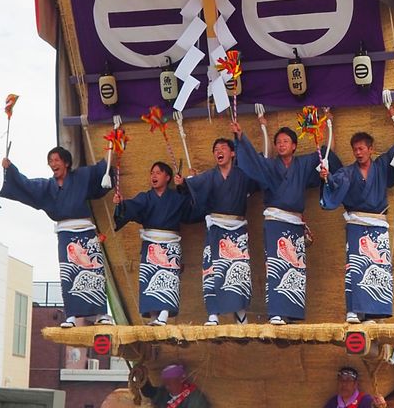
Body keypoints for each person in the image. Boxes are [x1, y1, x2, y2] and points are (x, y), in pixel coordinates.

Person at [231, 116, 340, 325]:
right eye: (278, 142)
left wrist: (329, 125)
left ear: (294, 146)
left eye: (285, 141)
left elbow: (327, 153)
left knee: (295, 268)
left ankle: (291, 314)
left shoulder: (304, 163)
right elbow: (252, 160)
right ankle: (276, 313)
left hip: (295, 225)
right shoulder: (269, 166)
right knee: (276, 266)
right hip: (275, 223)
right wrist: (241, 136)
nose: (281, 145)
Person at [0, 146, 114, 328]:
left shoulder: (81, 176)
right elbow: (26, 184)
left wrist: (112, 149)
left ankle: (101, 314)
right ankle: (72, 316)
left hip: (85, 231)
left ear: (66, 162)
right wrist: (10, 169)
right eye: (50, 161)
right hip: (65, 234)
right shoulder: (47, 186)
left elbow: (101, 171)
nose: (53, 164)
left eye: (56, 160)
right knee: (69, 276)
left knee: (95, 272)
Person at [320, 109, 394, 323]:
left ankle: (373, 314)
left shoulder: (382, 166)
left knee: (378, 267)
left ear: (370, 149)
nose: (358, 153)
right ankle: (354, 311)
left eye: (361, 148)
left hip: (378, 225)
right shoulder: (348, 173)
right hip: (356, 225)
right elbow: (334, 183)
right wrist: (326, 176)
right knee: (355, 268)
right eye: (355, 149)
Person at [174, 137, 257, 326]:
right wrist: (183, 183)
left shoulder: (243, 175)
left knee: (238, 273)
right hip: (216, 231)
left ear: (232, 153)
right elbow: (193, 187)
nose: (218, 151)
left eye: (223, 148)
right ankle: (213, 314)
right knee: (213, 271)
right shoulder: (210, 176)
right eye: (215, 149)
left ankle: (241, 314)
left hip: (237, 232)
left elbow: (260, 173)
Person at [113, 161, 195, 326]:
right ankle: (153, 317)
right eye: (152, 173)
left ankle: (163, 315)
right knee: (149, 281)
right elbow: (130, 207)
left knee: (168, 280)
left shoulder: (176, 197)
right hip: (150, 246)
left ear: (167, 177)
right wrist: (120, 203)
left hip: (169, 246)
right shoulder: (145, 198)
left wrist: (187, 185)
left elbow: (192, 206)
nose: (154, 176)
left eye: (158, 172)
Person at [141, 364, 210, 408]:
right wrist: (141, 377)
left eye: (170, 383)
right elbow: (148, 392)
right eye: (165, 383)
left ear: (181, 380)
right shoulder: (165, 392)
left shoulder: (195, 398)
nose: (167, 387)